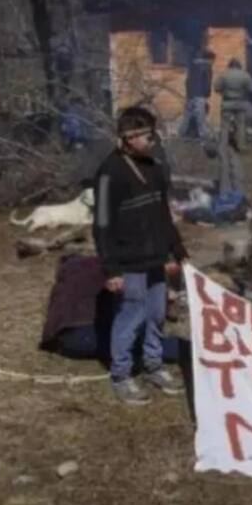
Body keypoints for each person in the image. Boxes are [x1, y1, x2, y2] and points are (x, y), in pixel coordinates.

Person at [92, 107, 188, 405]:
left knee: (157, 315)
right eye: (148, 135)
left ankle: (153, 366)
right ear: (129, 138)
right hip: (127, 260)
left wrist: (178, 251)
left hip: (155, 258)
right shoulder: (109, 174)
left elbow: (163, 214)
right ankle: (121, 375)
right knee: (132, 315)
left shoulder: (155, 167)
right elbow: (102, 226)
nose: (153, 140)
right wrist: (111, 270)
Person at [214, 58, 252, 153]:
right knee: (240, 125)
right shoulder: (245, 75)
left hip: (227, 102)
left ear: (230, 65)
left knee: (224, 125)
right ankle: (241, 146)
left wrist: (223, 93)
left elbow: (216, 88)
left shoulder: (224, 75)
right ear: (239, 65)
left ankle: (223, 146)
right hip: (240, 103)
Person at [179, 49, 214, 139]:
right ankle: (203, 134)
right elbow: (207, 82)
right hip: (200, 94)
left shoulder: (192, 66)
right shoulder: (207, 67)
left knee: (187, 115)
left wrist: (188, 93)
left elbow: (187, 81)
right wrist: (207, 93)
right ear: (210, 59)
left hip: (190, 94)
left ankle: (182, 132)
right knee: (200, 115)